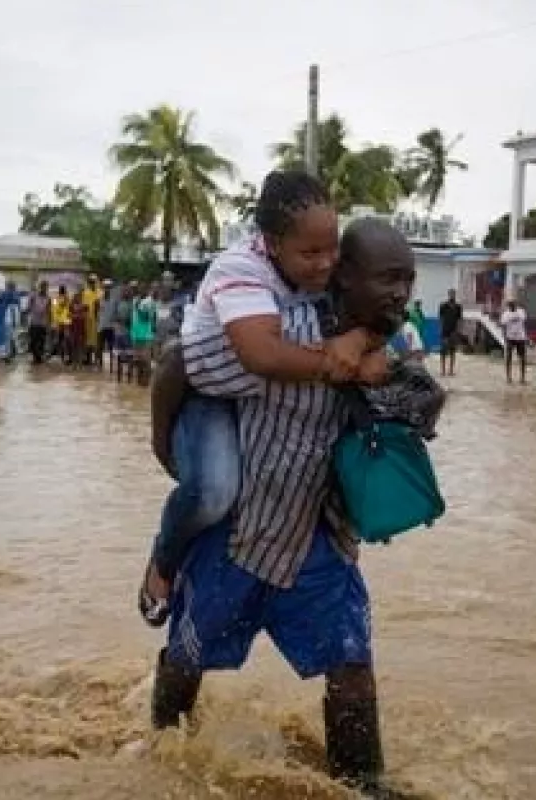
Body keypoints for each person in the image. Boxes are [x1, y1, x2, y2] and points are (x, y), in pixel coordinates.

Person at [148, 213, 418, 797]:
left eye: (409, 280)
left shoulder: (400, 343)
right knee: (185, 657)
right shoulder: (272, 333)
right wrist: (163, 447)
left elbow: (418, 419)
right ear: (343, 277)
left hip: (320, 543)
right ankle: (156, 757)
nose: (401, 293)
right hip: (239, 536)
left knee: (351, 667)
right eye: (388, 278)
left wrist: (398, 389)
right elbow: (177, 363)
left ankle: (363, 784)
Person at [138, 170, 374, 626]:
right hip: (211, 390)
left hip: (269, 396)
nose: (327, 264)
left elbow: (375, 310)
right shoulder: (239, 269)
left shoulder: (324, 270)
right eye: (310, 253)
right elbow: (263, 356)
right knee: (213, 491)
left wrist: (362, 335)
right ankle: (163, 563)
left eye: (333, 248)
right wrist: (351, 361)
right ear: (271, 243)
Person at [129, 284, 158, 383]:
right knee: (138, 360)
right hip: (136, 333)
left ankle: (146, 381)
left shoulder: (150, 302)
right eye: (139, 289)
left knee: (146, 360)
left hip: (146, 335)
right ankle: (139, 381)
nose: (140, 291)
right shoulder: (135, 300)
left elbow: (148, 317)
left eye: (142, 290)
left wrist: (139, 309)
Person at [499, 299, 528, 384]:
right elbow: (503, 327)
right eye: (510, 305)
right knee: (508, 357)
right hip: (510, 338)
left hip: (520, 338)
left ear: (516, 305)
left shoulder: (521, 312)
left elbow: (525, 324)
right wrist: (504, 337)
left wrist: (526, 336)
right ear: (508, 306)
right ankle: (508, 377)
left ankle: (522, 378)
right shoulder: (505, 314)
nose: (512, 306)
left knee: (522, 358)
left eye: (513, 305)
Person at [438, 289, 463, 376]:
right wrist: (441, 330)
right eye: (451, 294)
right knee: (443, 351)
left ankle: (451, 370)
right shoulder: (443, 305)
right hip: (445, 331)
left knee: (452, 351)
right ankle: (443, 370)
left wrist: (458, 331)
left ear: (455, 295)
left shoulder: (458, 307)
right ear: (448, 295)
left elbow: (459, 320)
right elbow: (440, 318)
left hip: (454, 331)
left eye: (453, 294)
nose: (452, 296)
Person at [27, 281, 52, 365]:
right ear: (40, 287)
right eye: (43, 287)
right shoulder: (34, 296)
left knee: (41, 341)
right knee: (33, 341)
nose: (44, 289)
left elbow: (49, 311)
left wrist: (49, 323)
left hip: (43, 323)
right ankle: (36, 357)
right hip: (34, 322)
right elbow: (29, 307)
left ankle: (39, 358)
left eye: (46, 287)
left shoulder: (48, 298)